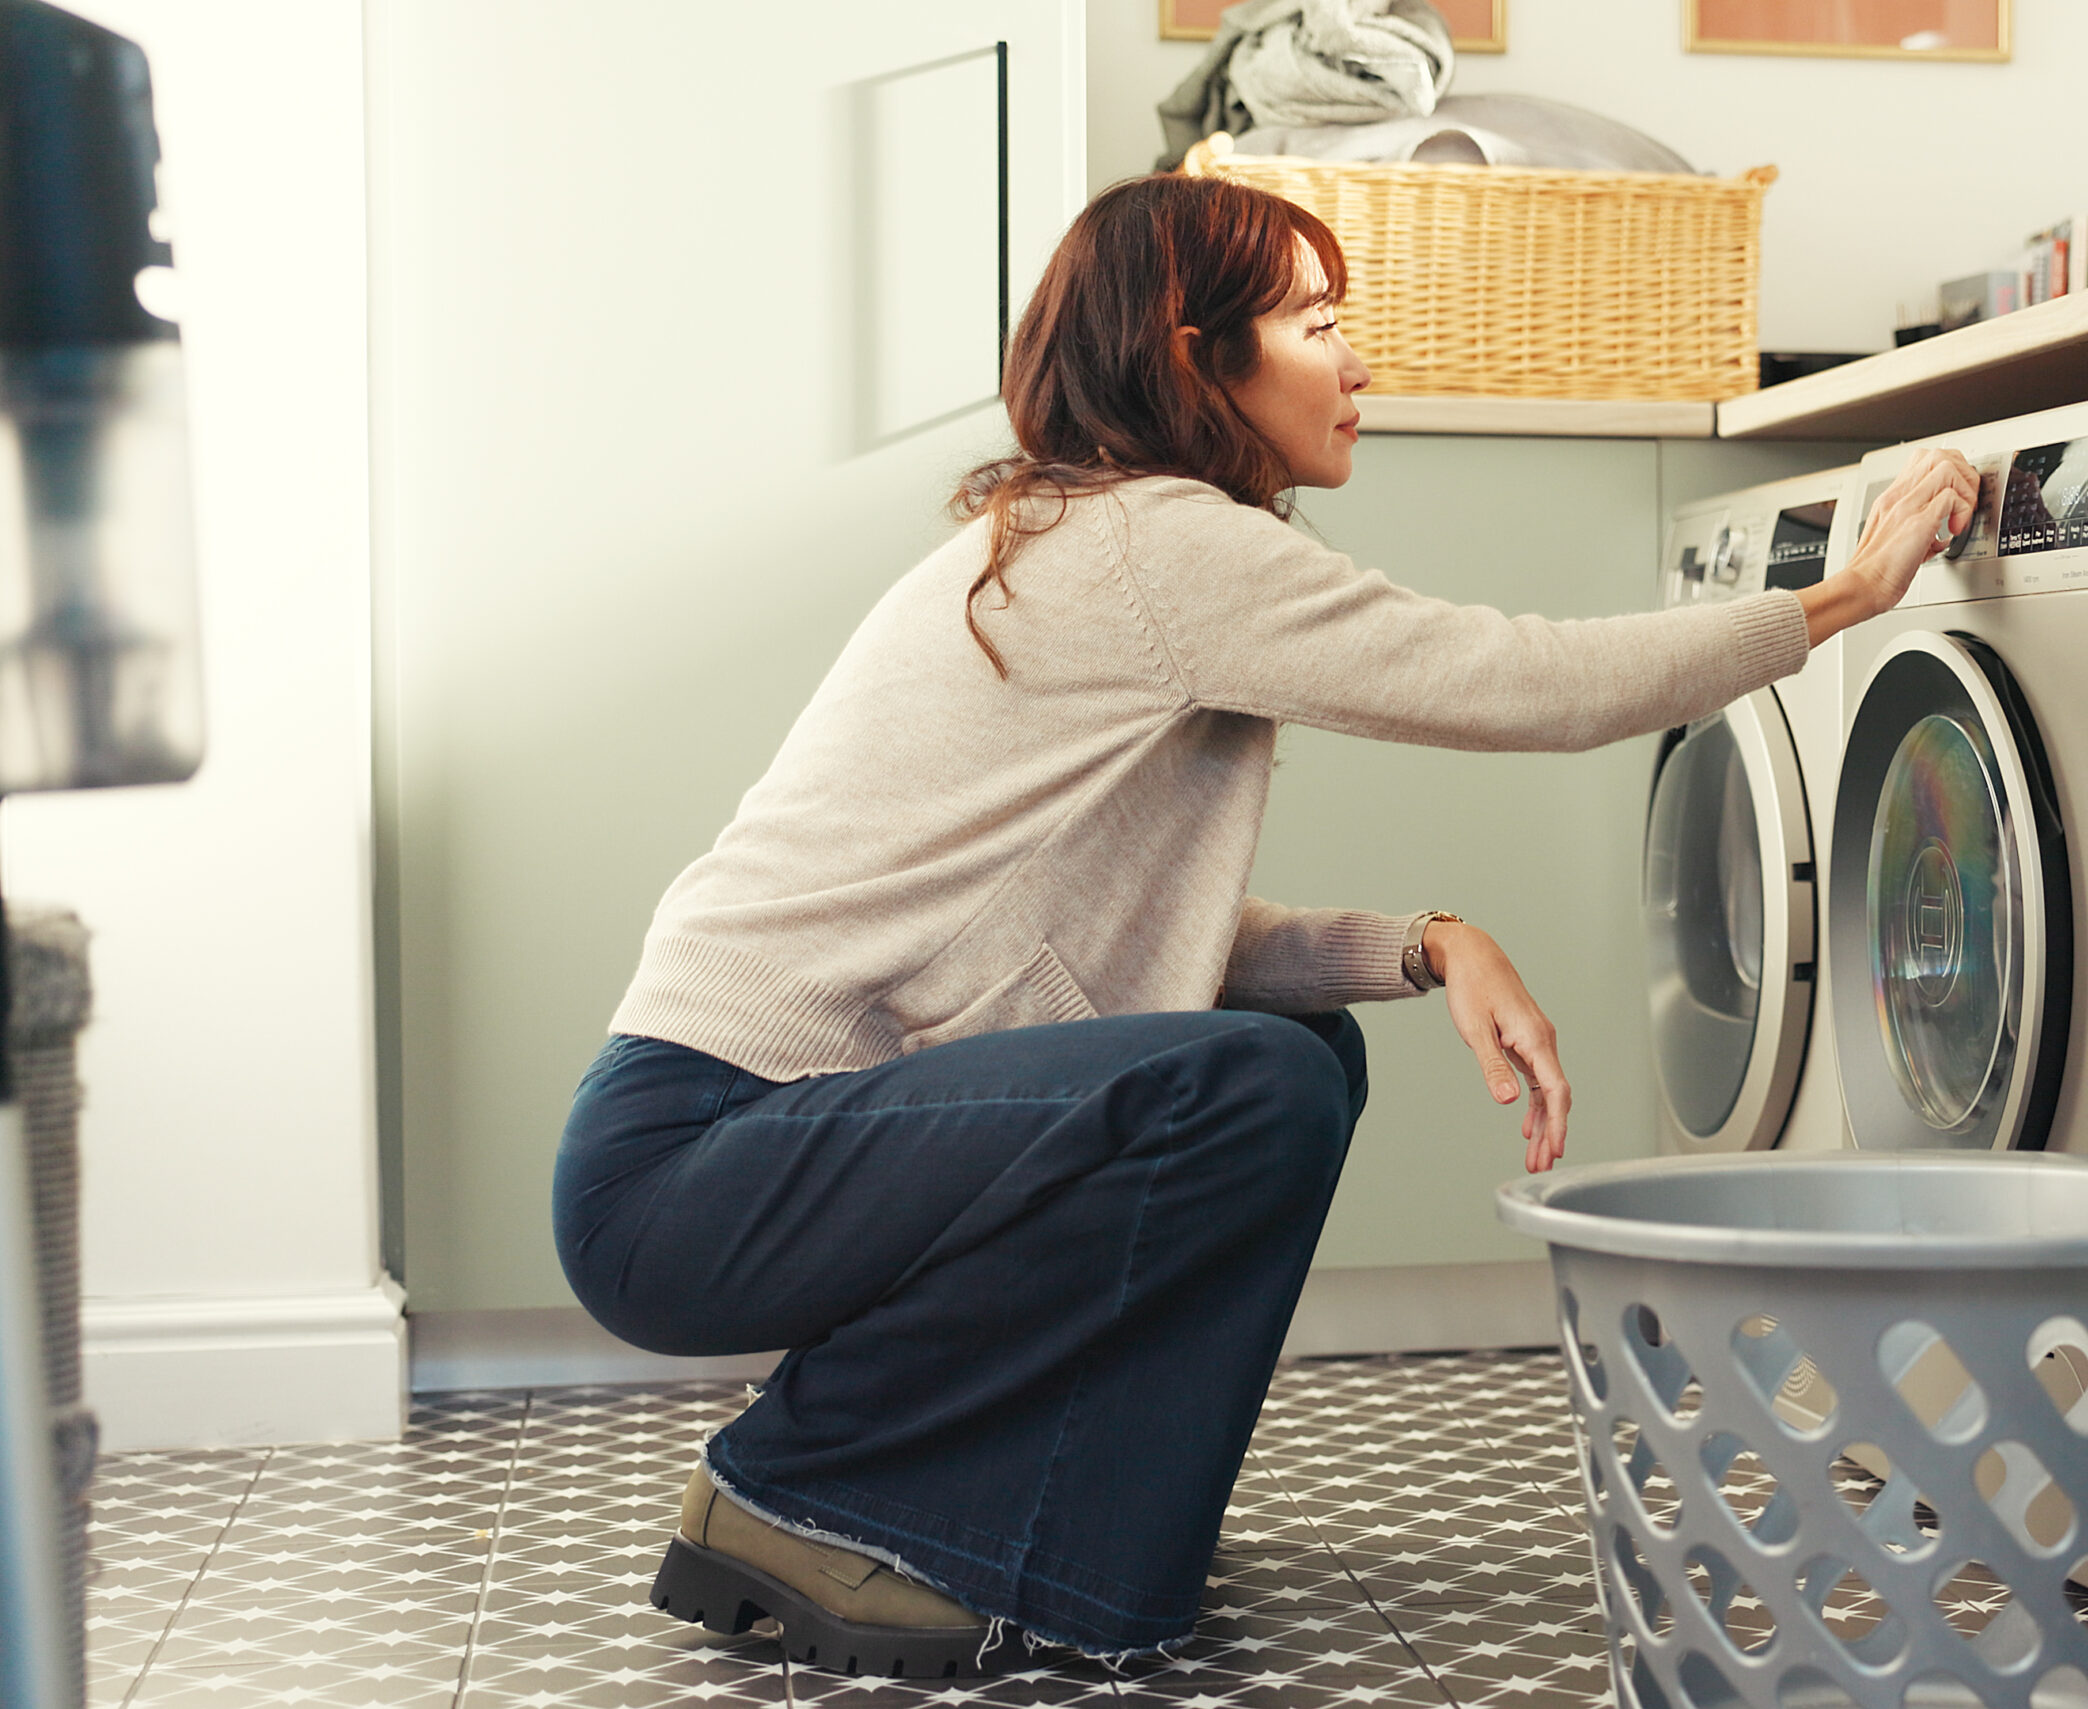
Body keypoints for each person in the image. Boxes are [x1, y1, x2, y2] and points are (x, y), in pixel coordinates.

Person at [551, 172, 1979, 1679]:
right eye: (1315, 324)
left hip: (732, 1153)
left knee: (1291, 1047)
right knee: (1257, 1080)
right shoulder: (1157, 545)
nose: (1358, 364)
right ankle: (803, 1491)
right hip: (699, 1159)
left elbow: (1125, 942)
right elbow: (1522, 680)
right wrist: (1847, 593)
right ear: (1193, 357)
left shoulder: (1092, 539)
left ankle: (1070, 1536)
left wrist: (1424, 943)